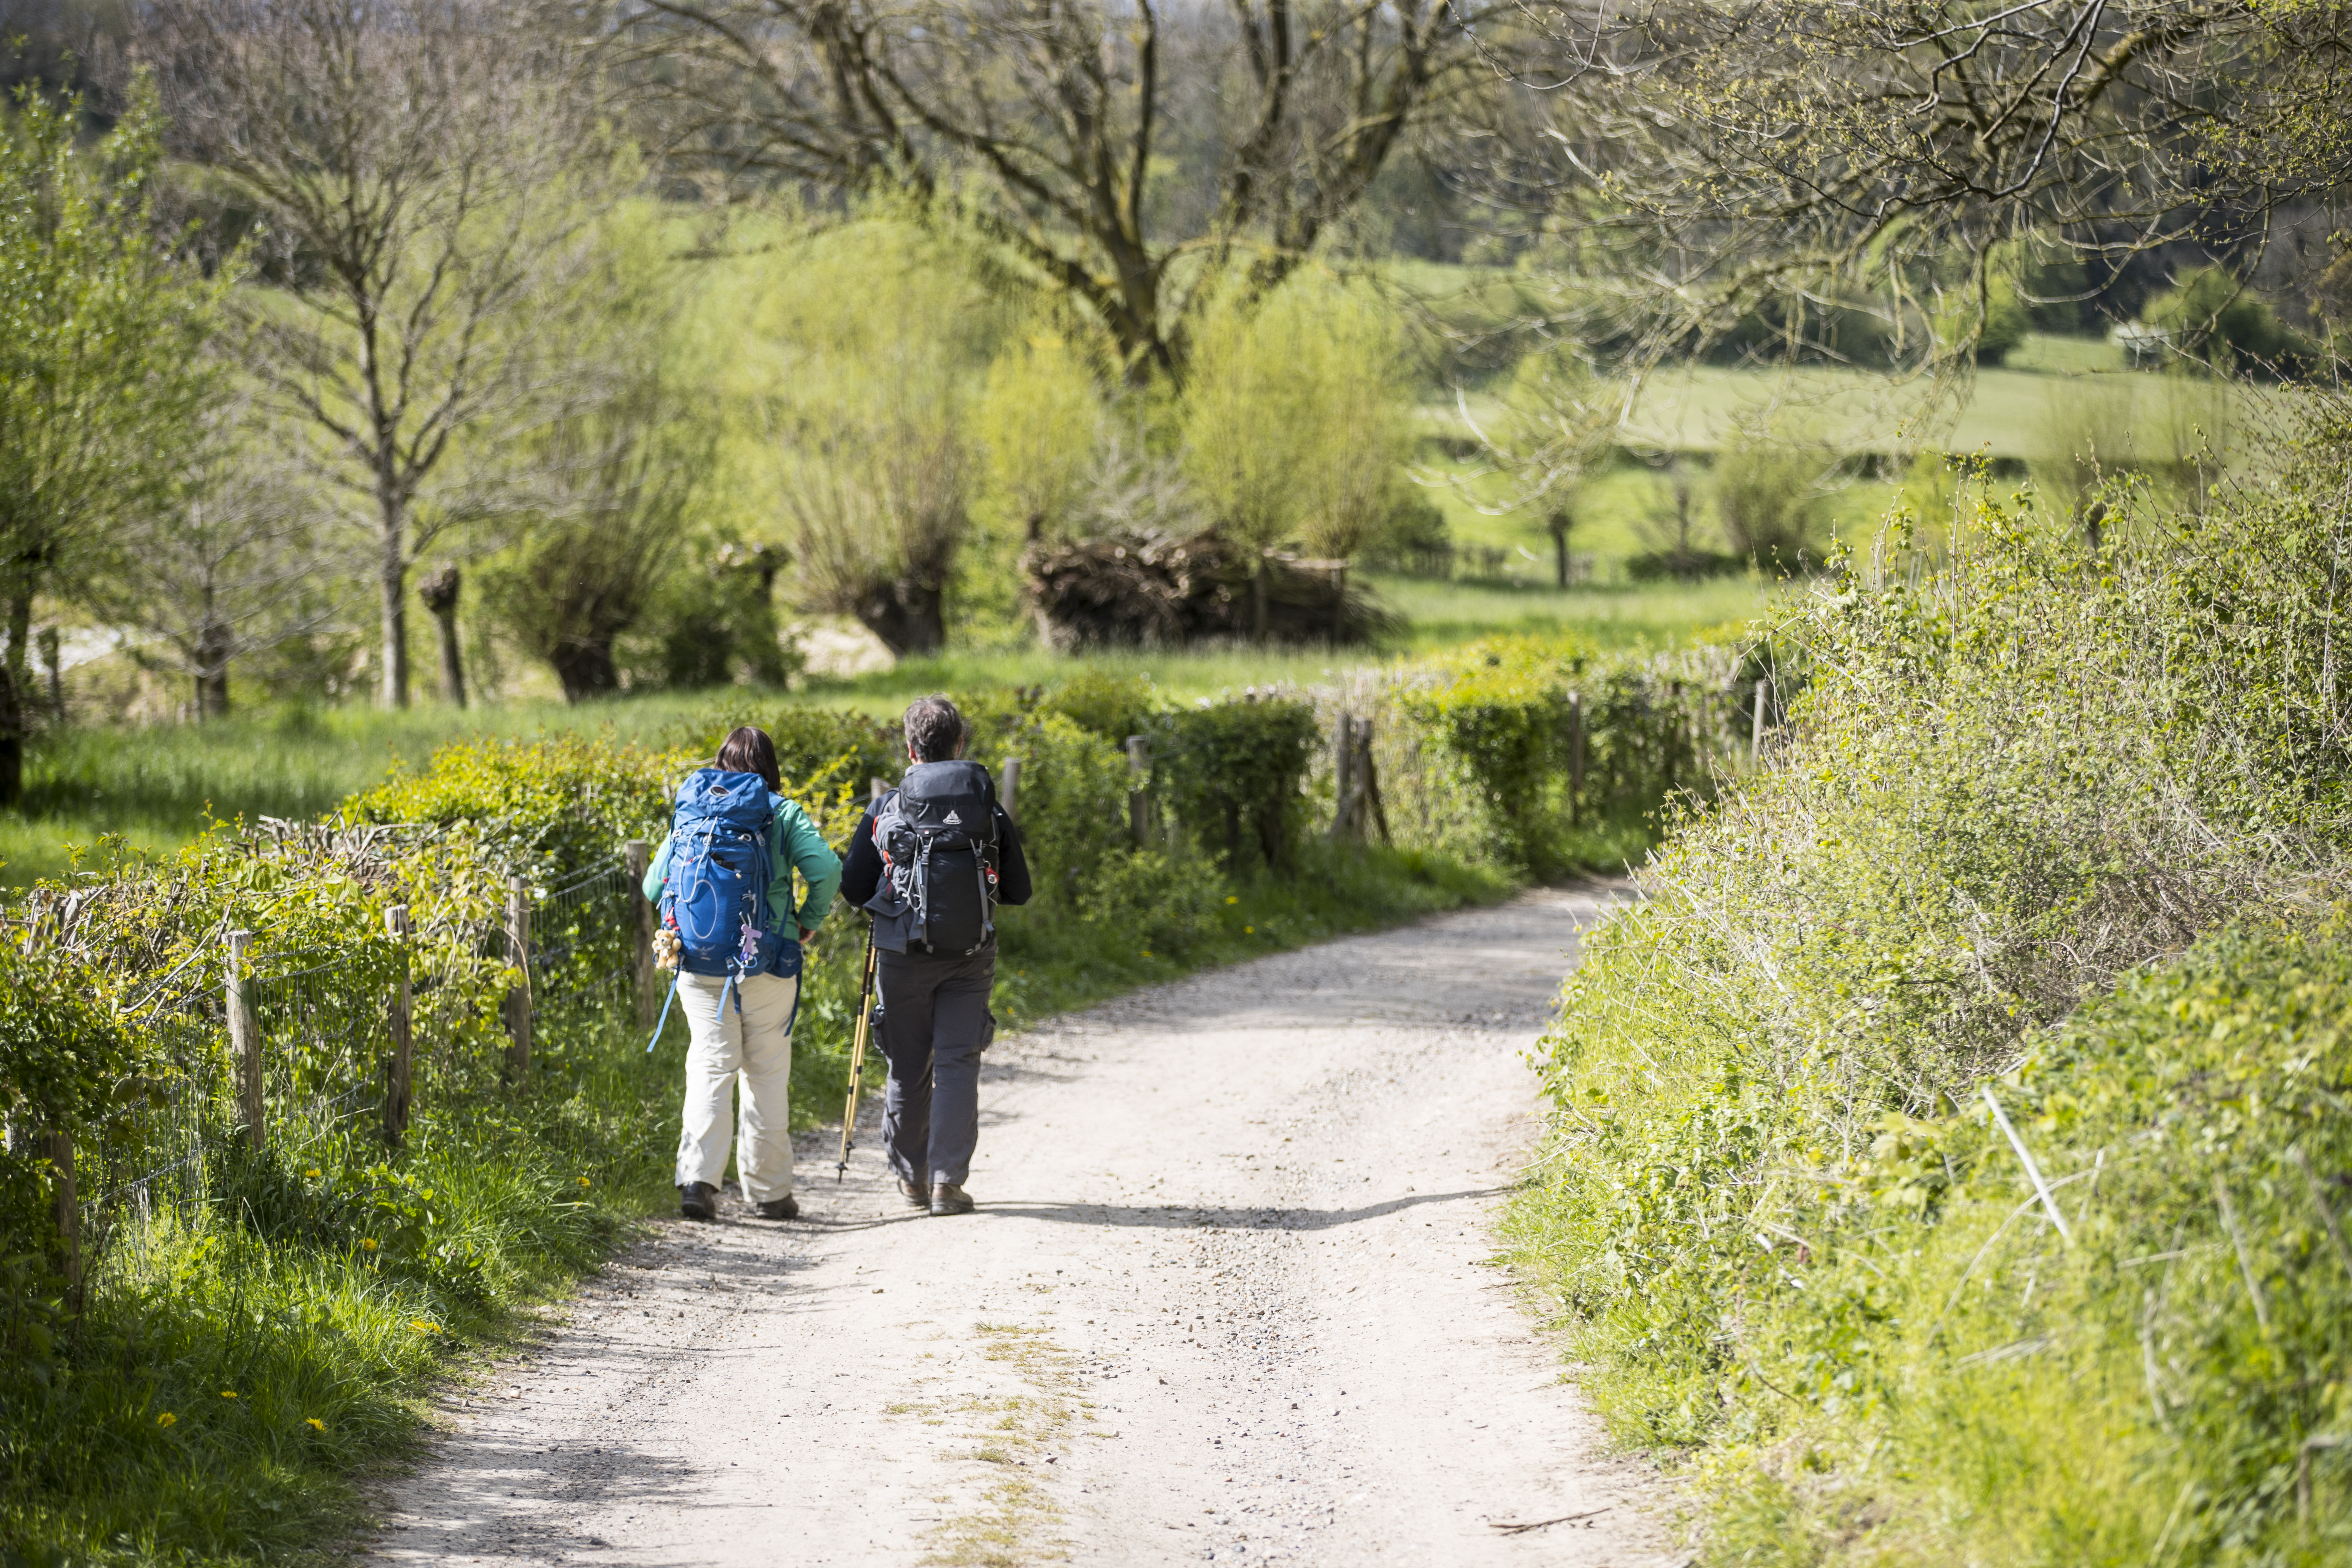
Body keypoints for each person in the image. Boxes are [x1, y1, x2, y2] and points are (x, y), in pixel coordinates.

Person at [839, 696, 1032, 1216]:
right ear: (960, 744)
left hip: (901, 953)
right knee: (957, 1062)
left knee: (907, 1065)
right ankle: (948, 1183)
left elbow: (853, 887)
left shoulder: (887, 807)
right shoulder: (986, 809)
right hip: (970, 954)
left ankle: (912, 1181)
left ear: (910, 749)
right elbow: (1019, 890)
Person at [643, 725, 842, 1222]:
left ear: (720, 765)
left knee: (710, 1066)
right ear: (771, 769)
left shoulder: (694, 811)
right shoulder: (783, 813)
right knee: (766, 1074)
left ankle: (698, 1182)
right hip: (768, 961)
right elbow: (827, 870)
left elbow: (652, 887)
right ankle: (770, 1194)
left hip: (697, 961)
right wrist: (808, 922)